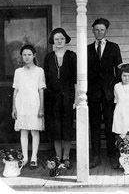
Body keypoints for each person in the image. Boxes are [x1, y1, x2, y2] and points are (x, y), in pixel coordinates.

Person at [87, 18, 122, 169]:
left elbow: (119, 70)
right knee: (94, 125)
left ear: (106, 31)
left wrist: (115, 89)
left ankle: (112, 155)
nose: (99, 32)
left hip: (109, 94)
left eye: (102, 30)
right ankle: (95, 156)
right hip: (93, 93)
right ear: (93, 30)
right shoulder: (87, 48)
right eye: (96, 29)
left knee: (110, 125)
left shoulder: (114, 47)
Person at [44, 28, 77, 169]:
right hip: (52, 97)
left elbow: (76, 79)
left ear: (65, 40)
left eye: (62, 39)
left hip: (68, 97)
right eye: (56, 39)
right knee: (56, 127)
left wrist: (76, 99)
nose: (59, 41)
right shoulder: (48, 57)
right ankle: (58, 156)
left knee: (67, 127)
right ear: (53, 41)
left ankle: (66, 156)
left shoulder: (71, 56)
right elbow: (46, 78)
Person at [12, 44, 46, 169]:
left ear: (34, 55)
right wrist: (14, 108)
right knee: (23, 131)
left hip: (34, 104)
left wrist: (41, 107)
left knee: (34, 131)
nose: (27, 57)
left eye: (29, 55)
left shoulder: (39, 71)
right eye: (24, 55)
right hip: (21, 104)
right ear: (21, 56)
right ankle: (25, 157)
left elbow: (41, 90)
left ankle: (34, 157)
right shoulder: (18, 72)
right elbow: (16, 90)